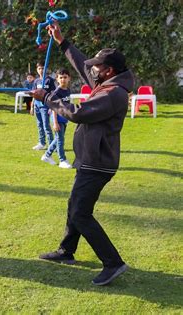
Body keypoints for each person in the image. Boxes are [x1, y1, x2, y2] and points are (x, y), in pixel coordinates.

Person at [30, 21, 135, 286]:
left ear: (108, 70)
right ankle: (67, 251)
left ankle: (113, 263)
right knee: (75, 205)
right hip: (91, 159)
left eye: (98, 66)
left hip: (98, 163)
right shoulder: (107, 82)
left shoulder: (112, 93)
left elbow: (78, 114)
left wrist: (47, 99)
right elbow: (81, 65)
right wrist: (62, 41)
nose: (93, 69)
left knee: (80, 213)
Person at [40, 68, 73, 169]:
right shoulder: (57, 92)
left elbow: (67, 104)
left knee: (58, 138)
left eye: (65, 77)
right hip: (57, 118)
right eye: (61, 78)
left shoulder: (68, 90)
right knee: (60, 140)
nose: (63, 79)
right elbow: (54, 108)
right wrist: (55, 123)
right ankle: (62, 160)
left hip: (63, 118)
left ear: (69, 78)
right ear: (57, 79)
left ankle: (47, 155)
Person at [31, 62, 56, 150]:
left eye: (42, 68)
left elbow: (53, 93)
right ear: (37, 70)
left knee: (46, 125)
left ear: (46, 69)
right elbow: (34, 94)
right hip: (37, 105)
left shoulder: (50, 80)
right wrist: (32, 106)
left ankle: (51, 144)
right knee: (39, 124)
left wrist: (51, 106)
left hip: (45, 106)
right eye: (39, 69)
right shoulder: (36, 81)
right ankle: (42, 143)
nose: (41, 70)